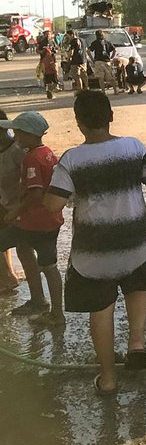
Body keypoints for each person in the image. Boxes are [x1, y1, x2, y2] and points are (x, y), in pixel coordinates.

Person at [43, 91, 146, 396]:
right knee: (136, 286)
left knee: (102, 309)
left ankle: (108, 379)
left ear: (79, 122)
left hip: (94, 254)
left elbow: (53, 205)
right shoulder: (133, 147)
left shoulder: (71, 160)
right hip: (135, 242)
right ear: (111, 116)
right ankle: (137, 343)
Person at [0, 111, 64, 327]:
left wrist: (15, 210)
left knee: (12, 243)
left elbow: (35, 193)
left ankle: (42, 303)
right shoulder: (47, 153)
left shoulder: (29, 157)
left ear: (27, 134)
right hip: (49, 220)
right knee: (48, 265)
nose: (14, 135)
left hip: (32, 220)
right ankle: (54, 310)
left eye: (17, 131)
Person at [0, 110, 26, 295]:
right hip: (3, 200)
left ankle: (7, 278)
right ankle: (8, 274)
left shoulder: (17, 151)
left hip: (18, 203)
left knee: (21, 244)